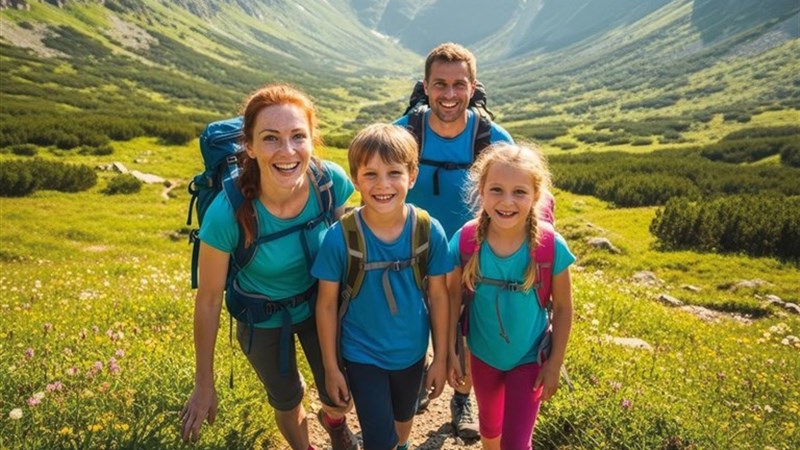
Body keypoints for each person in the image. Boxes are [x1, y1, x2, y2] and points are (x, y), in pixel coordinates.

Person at [180, 83, 359, 450]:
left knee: (340, 392)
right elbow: (210, 299)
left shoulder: (330, 183)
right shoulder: (226, 216)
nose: (287, 151)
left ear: (312, 139)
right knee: (287, 400)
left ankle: (333, 419)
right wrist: (203, 384)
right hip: (260, 318)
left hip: (318, 306)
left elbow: (341, 254)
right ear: (250, 146)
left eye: (298, 136)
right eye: (271, 138)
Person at [394, 42, 513, 439]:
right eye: (439, 84)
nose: (449, 95)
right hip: (412, 250)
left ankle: (462, 400)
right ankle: (413, 388)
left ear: (473, 86)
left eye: (458, 85)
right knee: (411, 324)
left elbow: (517, 196)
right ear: (425, 86)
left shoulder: (493, 139)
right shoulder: (403, 134)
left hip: (470, 252)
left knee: (463, 332)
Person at [313, 123, 452, 450]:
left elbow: (440, 297)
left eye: (394, 173)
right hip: (362, 355)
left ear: (412, 175)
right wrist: (332, 367)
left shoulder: (428, 231)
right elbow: (326, 305)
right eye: (370, 174)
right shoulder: (340, 238)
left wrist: (442, 358)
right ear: (356, 178)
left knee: (404, 423)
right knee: (379, 440)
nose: (383, 184)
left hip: (412, 353)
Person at [447, 143, 574, 450]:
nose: (507, 202)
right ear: (481, 190)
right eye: (496, 190)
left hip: (530, 357)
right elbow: (452, 299)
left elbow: (564, 307)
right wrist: (453, 351)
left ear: (536, 195)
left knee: (516, 444)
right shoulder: (465, 240)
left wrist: (555, 362)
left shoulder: (549, 247)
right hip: (482, 354)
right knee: (490, 429)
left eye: (519, 192)